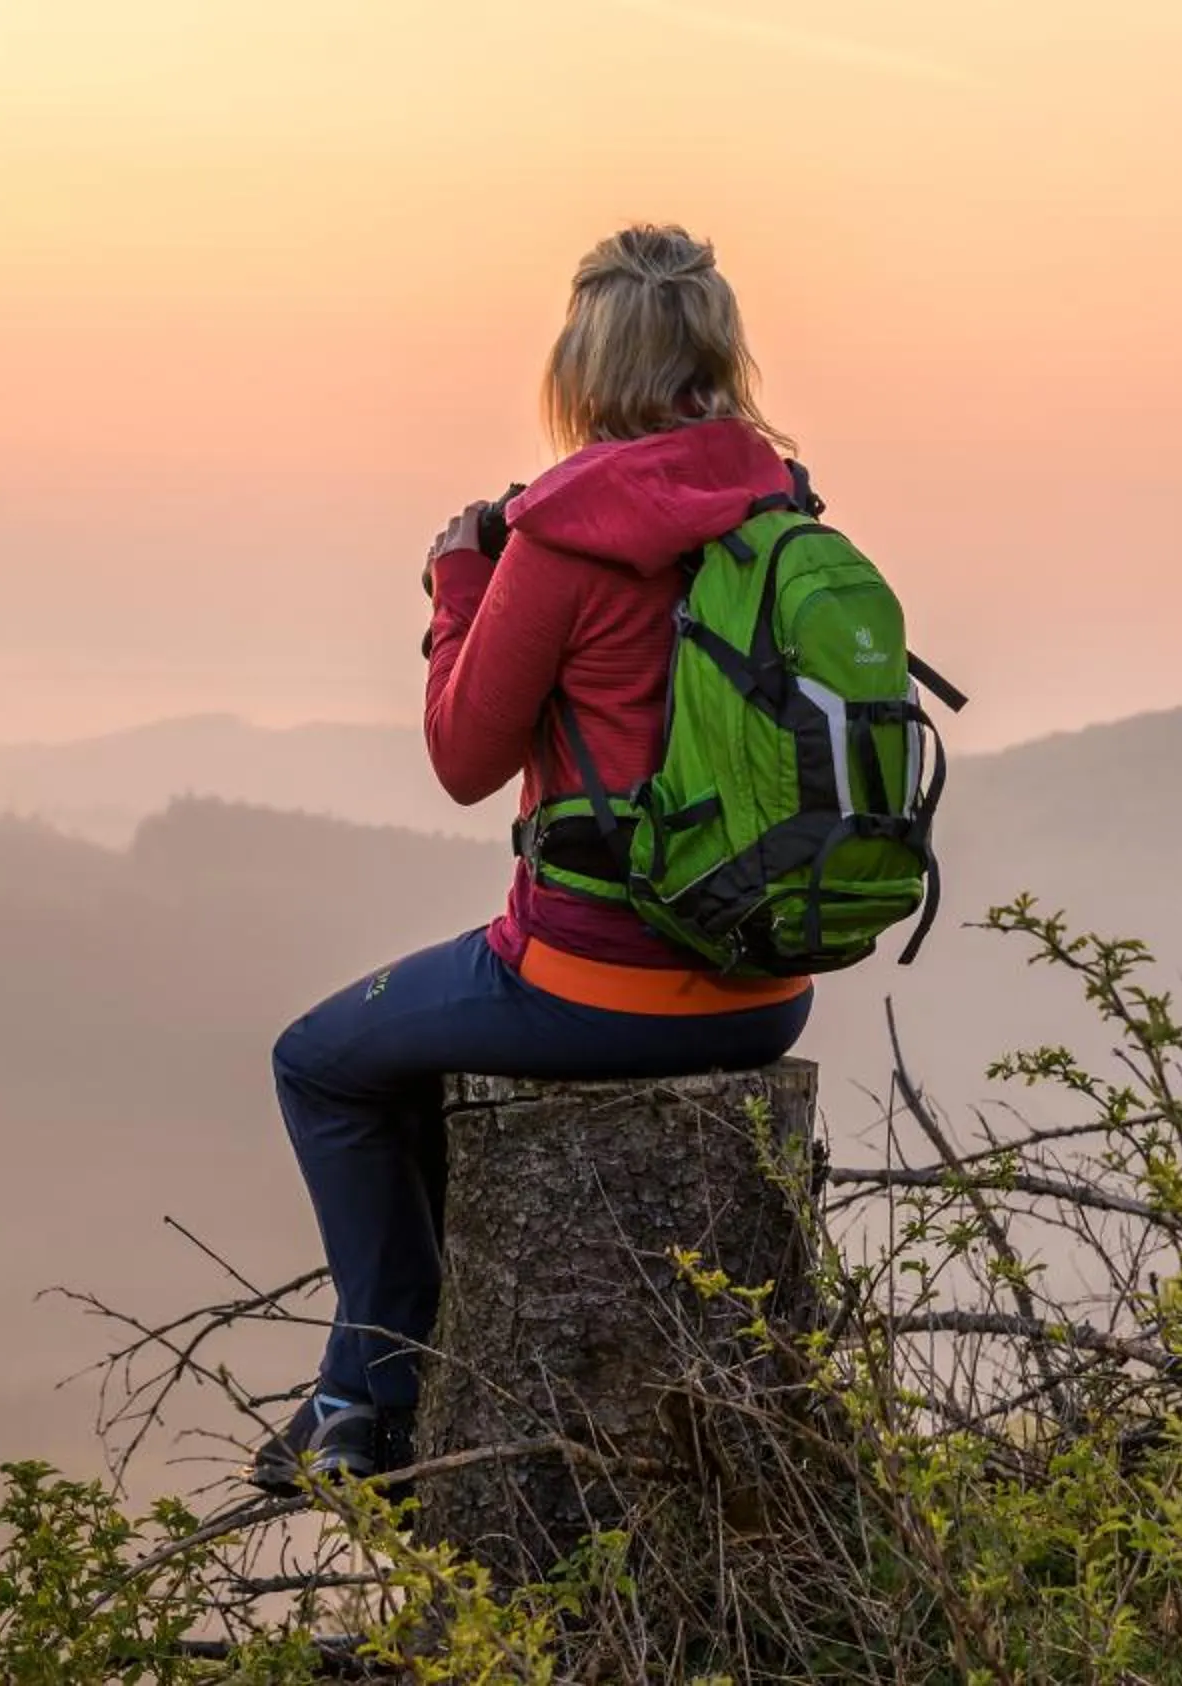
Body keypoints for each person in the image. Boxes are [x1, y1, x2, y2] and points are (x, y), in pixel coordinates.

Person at [249, 225, 817, 1495]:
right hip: (769, 988)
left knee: (324, 1065)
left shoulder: (563, 541)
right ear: (716, 355)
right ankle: (378, 1384)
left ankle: (366, 1397)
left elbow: (462, 755)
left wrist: (460, 579)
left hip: (595, 982)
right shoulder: (782, 518)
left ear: (583, 366)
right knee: (408, 1061)